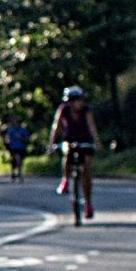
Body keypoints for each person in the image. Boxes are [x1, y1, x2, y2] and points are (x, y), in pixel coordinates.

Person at [48, 84, 98, 220]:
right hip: (69, 139)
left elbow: (92, 126)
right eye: (73, 100)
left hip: (84, 139)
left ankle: (88, 204)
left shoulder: (86, 110)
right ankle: (65, 180)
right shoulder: (63, 110)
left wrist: (97, 143)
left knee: (86, 168)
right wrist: (51, 144)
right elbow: (56, 127)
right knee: (66, 151)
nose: (76, 103)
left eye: (79, 100)